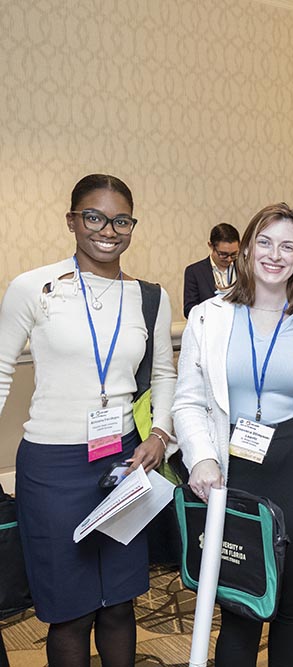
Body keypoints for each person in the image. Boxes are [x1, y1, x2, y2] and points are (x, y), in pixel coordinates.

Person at [0, 174, 176, 666]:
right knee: (70, 613)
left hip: (121, 466)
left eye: (122, 220)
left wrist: (161, 434)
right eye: (95, 217)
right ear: (73, 220)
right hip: (52, 469)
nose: (108, 230)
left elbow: (164, 374)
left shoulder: (150, 298)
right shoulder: (33, 287)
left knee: (120, 605)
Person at [173, 203, 293, 666]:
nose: (275, 255)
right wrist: (200, 458)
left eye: (288, 246)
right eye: (266, 242)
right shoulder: (208, 318)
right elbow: (188, 401)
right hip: (232, 473)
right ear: (248, 248)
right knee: (239, 604)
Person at [182, 222, 241, 318]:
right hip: (209, 329)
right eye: (223, 254)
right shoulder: (194, 272)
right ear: (211, 246)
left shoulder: (245, 269)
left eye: (234, 254)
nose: (229, 259)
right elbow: (189, 310)